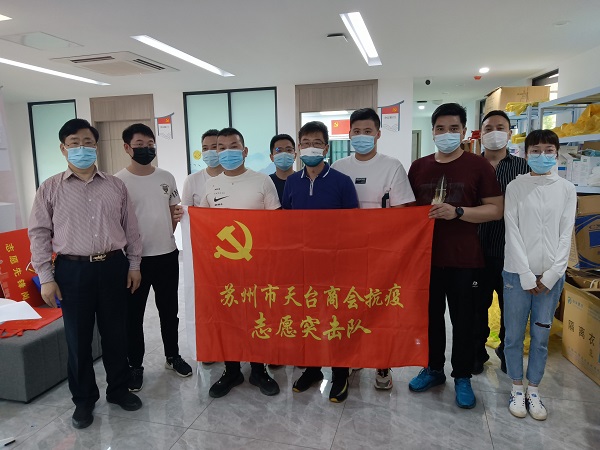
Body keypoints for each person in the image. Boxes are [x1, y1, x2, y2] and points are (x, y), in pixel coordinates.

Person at [28, 118, 143, 429]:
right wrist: (46, 278)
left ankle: (118, 390)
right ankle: (83, 400)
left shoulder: (115, 185)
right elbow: (38, 233)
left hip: (113, 267)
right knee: (78, 339)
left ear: (96, 146)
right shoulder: (50, 187)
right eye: (74, 143)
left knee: (116, 334)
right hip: (72, 270)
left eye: (88, 142)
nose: (82, 148)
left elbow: (131, 229)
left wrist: (134, 265)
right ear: (63, 148)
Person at [407, 103, 503, 409]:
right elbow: (406, 211)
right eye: (440, 128)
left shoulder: (478, 166)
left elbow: (495, 209)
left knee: (464, 322)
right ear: (433, 131)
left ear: (463, 131)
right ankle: (433, 369)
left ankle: (462, 375)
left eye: (453, 128)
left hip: (465, 259)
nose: (446, 134)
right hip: (426, 260)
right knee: (430, 319)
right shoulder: (418, 167)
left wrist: (458, 212)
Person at [331, 107, 415, 390]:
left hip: (382, 252)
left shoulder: (392, 166)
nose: (362, 136)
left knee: (380, 309)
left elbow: (403, 210)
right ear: (349, 134)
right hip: (347, 252)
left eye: (368, 131)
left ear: (378, 134)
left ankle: (382, 363)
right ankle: (353, 356)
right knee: (350, 306)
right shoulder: (339, 167)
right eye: (356, 131)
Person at [200, 127, 281, 398]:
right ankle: (232, 370)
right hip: (223, 267)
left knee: (258, 317)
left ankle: (259, 369)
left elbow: (276, 223)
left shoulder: (262, 181)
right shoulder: (210, 185)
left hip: (257, 265)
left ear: (244, 151)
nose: (227, 152)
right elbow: (203, 224)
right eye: (221, 147)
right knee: (228, 318)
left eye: (233, 146)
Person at [283, 121, 359, 403]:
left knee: (337, 320)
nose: (310, 148)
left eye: (316, 143)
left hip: (336, 264)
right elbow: (286, 223)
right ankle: (313, 369)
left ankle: (340, 374)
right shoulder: (292, 182)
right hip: (303, 264)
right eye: (305, 143)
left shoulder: (342, 181)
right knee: (309, 320)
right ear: (299, 148)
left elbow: (353, 225)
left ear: (326, 148)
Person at [503, 129, 576, 421]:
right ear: (526, 154)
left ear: (556, 154)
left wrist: (552, 274)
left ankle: (533, 389)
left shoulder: (566, 189)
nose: (542, 155)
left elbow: (565, 234)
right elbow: (512, 230)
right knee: (513, 336)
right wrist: (525, 274)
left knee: (541, 336)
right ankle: (516, 387)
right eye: (535, 150)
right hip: (516, 275)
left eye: (548, 150)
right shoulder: (515, 186)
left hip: (550, 279)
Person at [115, 123, 192, 393]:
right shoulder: (118, 182)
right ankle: (135, 366)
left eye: (150, 145)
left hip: (168, 255)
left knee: (169, 312)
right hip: (134, 262)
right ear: (127, 148)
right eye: (140, 145)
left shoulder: (166, 177)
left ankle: (173, 356)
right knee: (133, 317)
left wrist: (169, 230)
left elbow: (173, 212)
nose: (146, 149)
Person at [474, 110, 529, 375]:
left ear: (509, 133)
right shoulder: (471, 166)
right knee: (476, 306)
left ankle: (507, 352)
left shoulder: (523, 169)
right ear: (480, 134)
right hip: (476, 250)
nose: (494, 133)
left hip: (512, 251)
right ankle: (476, 352)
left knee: (511, 308)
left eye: (500, 127)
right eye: (488, 128)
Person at [181, 129, 223, 207]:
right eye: (205, 148)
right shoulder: (191, 180)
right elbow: (186, 210)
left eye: (214, 147)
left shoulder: (232, 178)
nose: (209, 151)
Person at [269, 133, 296, 204]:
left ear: (295, 156)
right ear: (271, 157)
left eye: (289, 150)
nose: (284, 153)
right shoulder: (267, 182)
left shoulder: (301, 181)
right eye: (279, 150)